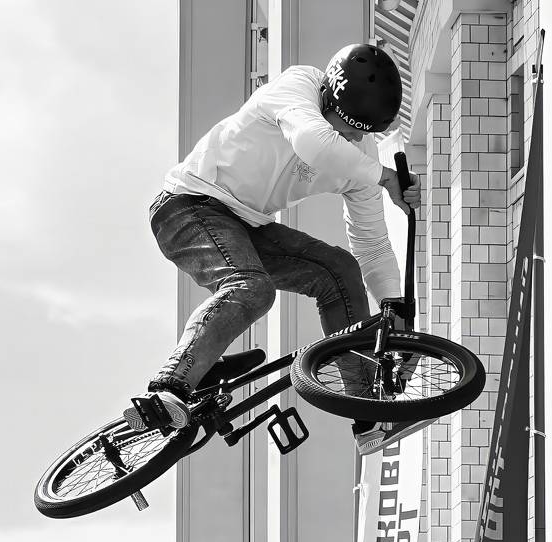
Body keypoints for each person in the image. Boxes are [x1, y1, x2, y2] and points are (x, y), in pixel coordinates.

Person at [129, 42, 420, 454]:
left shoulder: (362, 159)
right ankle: (168, 388)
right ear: (328, 98)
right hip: (188, 205)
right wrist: (385, 176)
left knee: (338, 270)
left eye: (361, 133)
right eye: (347, 126)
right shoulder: (299, 86)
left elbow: (372, 247)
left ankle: (368, 412)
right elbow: (314, 142)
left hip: (248, 224)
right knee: (252, 287)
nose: (352, 138)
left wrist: (394, 310)